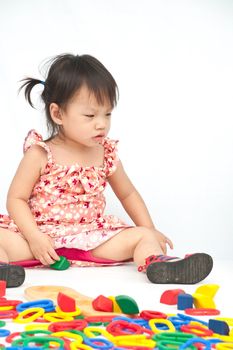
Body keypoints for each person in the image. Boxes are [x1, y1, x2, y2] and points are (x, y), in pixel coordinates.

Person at [0, 53, 213, 287]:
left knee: (143, 236)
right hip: (39, 240)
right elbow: (16, 198)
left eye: (107, 113)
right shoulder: (40, 153)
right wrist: (34, 237)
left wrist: (150, 231)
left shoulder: (105, 153)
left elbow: (128, 194)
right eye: (90, 115)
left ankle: (158, 264)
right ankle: (3, 270)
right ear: (58, 114)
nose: (101, 123)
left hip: (92, 239)